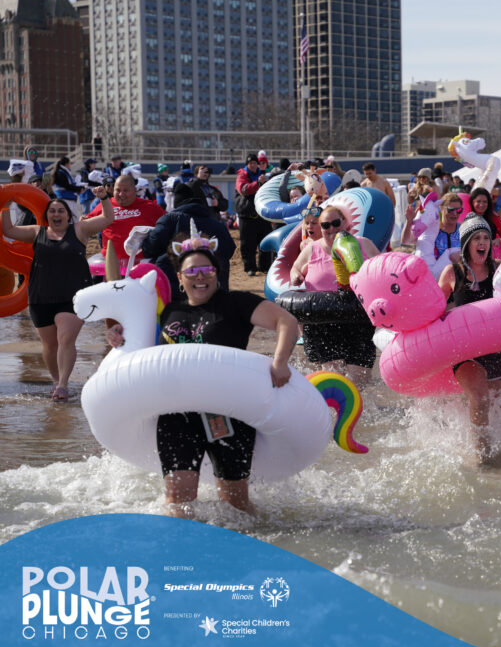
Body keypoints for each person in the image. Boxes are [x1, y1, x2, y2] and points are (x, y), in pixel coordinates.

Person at [108, 233, 299, 518]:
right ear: (180, 277)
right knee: (177, 500)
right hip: (177, 414)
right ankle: (184, 554)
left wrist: (280, 362)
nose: (200, 277)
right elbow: (143, 352)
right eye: (192, 271)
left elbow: (286, 321)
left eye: (207, 270)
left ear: (217, 273)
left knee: (236, 506)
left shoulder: (236, 303)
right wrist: (118, 335)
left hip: (228, 412)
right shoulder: (170, 310)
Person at [2, 194, 114, 401]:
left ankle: (63, 384)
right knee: (50, 345)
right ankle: (56, 379)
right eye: (52, 211)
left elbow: (108, 218)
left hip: (73, 296)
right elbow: (8, 230)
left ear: (68, 215)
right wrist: (6, 205)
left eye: (60, 211)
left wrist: (104, 197)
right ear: (46, 216)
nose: (56, 214)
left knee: (65, 339)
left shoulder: (80, 230)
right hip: (40, 296)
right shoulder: (37, 232)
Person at [438, 216, 501, 460]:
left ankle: (500, 454)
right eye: (477, 238)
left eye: (486, 239)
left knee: (498, 406)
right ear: (467, 243)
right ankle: (482, 456)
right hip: (465, 351)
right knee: (480, 399)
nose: (482, 243)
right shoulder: (452, 273)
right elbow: (434, 308)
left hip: (499, 347)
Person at [290, 205, 380, 383]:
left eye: (335, 223)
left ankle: (357, 409)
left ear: (345, 223)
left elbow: (381, 269)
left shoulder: (363, 244)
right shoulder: (312, 249)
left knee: (359, 378)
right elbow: (295, 268)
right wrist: (296, 276)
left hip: (357, 316)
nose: (331, 229)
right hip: (324, 318)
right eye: (325, 225)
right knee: (333, 375)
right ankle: (332, 409)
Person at [141, 182, 235, 302]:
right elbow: (230, 249)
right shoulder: (217, 223)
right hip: (215, 291)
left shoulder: (170, 220)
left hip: (177, 292)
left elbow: (150, 248)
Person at [85, 174, 165, 270]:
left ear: (135, 191)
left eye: (126, 191)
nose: (121, 194)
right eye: (118, 190)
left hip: (140, 264)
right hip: (111, 263)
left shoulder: (150, 207)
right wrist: (84, 220)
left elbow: (169, 223)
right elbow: (86, 224)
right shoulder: (106, 205)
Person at [234, 153, 271, 276]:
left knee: (264, 241)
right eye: (251, 163)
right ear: (247, 165)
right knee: (247, 244)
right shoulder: (242, 175)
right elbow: (244, 190)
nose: (253, 165)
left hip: (261, 214)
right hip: (247, 214)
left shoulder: (263, 175)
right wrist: (258, 183)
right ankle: (250, 267)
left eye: (255, 163)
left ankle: (264, 266)